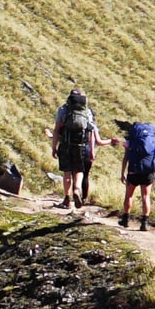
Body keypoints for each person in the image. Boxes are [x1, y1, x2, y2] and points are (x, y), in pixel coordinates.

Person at [51, 84, 101, 213]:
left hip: (65, 144)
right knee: (78, 171)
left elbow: (57, 130)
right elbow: (90, 130)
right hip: (81, 145)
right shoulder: (87, 111)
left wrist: (54, 147)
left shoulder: (63, 109)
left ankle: (67, 199)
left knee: (67, 172)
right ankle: (76, 189)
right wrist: (92, 150)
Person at [118, 116, 155, 225]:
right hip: (148, 172)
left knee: (129, 195)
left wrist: (123, 173)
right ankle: (144, 223)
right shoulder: (151, 141)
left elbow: (125, 158)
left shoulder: (130, 141)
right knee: (146, 196)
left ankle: (125, 219)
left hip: (133, 170)